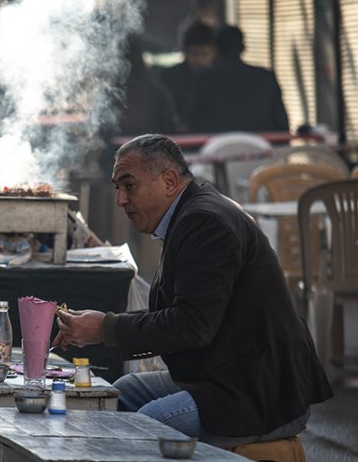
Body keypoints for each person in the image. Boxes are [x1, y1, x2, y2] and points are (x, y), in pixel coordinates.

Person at [54, 134, 332, 448]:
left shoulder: (204, 222)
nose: (120, 200)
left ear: (169, 181)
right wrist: (103, 325)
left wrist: (106, 329)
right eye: (118, 187)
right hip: (223, 374)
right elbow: (185, 313)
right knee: (125, 390)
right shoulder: (190, 213)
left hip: (257, 391)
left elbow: (192, 325)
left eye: (129, 185)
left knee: (142, 428)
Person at [188, 25, 289, 133]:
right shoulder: (266, 77)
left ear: (216, 49)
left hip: (216, 148)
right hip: (262, 148)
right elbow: (282, 123)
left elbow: (194, 124)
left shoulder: (204, 79)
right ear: (243, 47)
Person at [152, 21, 217, 131]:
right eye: (194, 54)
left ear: (214, 52)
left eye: (204, 54)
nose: (199, 60)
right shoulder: (171, 77)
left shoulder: (219, 79)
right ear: (185, 53)